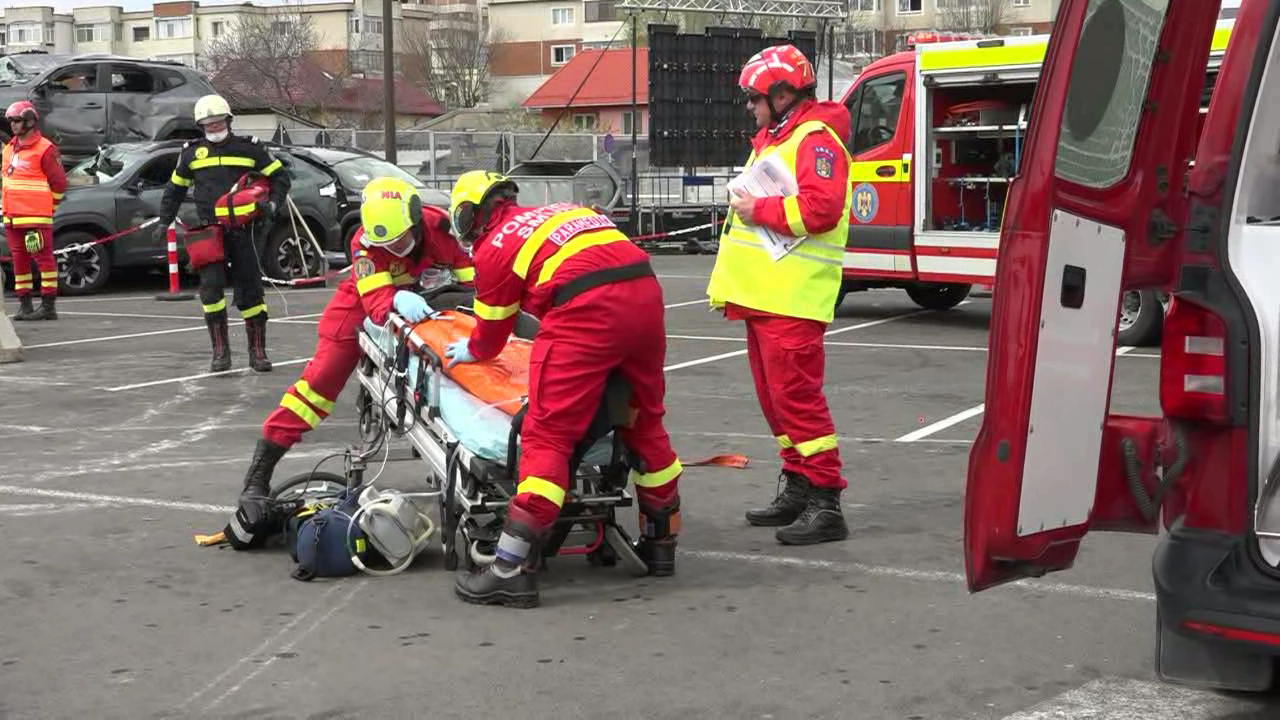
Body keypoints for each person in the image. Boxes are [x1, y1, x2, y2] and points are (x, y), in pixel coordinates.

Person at [444, 170, 682, 609]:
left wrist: (472, 350)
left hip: (585, 310)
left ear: (469, 215)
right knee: (644, 419)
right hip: (645, 299)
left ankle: (511, 568)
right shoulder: (560, 212)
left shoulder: (496, 245)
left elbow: (492, 335)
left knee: (548, 434)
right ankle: (661, 542)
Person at [220, 176, 475, 551]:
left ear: (416, 221)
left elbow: (471, 279)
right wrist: (397, 300)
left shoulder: (438, 228)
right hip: (358, 309)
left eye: (400, 242)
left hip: (427, 307)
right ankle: (259, 474)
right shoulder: (365, 243)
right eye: (388, 245)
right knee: (316, 388)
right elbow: (375, 302)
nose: (395, 250)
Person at [706, 44, 853, 546]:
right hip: (766, 297)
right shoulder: (781, 137)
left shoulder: (815, 139)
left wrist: (760, 211)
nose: (749, 106)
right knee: (778, 404)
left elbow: (821, 210)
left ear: (783, 94)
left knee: (798, 402)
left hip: (791, 299)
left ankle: (826, 502)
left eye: (754, 98)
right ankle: (799, 486)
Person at [156, 93, 291, 373]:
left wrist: (272, 205)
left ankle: (257, 352)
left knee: (250, 290)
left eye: (218, 122)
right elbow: (175, 190)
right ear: (200, 126)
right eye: (208, 124)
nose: (214, 127)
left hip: (246, 230)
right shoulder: (191, 153)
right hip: (209, 231)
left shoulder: (250, 148)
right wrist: (164, 221)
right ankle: (220, 352)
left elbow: (280, 178)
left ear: (229, 120)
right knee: (210, 288)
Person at [3, 101, 66, 321]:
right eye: (11, 121)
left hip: (35, 219)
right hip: (12, 218)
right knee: (19, 261)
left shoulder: (45, 149)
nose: (13, 124)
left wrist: (48, 210)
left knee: (43, 261)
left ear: (29, 121)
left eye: (17, 120)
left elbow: (59, 184)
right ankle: (25, 305)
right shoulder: (9, 148)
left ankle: (48, 306)